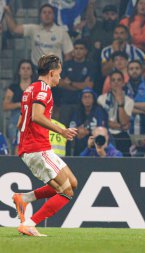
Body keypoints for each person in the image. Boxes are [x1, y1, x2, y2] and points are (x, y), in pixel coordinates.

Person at [12, 54, 78, 236]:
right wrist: (61, 130)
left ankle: (23, 198)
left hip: (34, 147)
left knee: (72, 182)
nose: (60, 77)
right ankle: (29, 224)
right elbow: (37, 116)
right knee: (66, 192)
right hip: (37, 148)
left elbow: (21, 123)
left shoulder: (29, 89)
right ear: (51, 73)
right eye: (59, 73)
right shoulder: (44, 90)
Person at [3, 4, 73, 66]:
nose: (47, 15)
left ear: (54, 16)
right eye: (44, 12)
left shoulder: (61, 32)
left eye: (49, 13)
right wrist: (7, 13)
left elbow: (68, 54)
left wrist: (63, 72)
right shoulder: (33, 29)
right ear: (40, 15)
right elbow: (15, 29)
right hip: (37, 70)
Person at [58, 39, 95, 126]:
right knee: (63, 131)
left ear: (86, 51)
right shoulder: (66, 64)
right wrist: (80, 85)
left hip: (82, 105)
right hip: (66, 103)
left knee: (81, 131)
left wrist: (70, 83)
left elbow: (89, 86)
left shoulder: (90, 65)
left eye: (81, 49)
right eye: (76, 48)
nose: (78, 51)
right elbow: (60, 83)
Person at [97, 70, 134, 156]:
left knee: (124, 140)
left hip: (121, 135)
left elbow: (124, 121)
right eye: (113, 80)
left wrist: (120, 103)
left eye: (119, 80)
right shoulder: (101, 99)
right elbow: (102, 122)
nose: (116, 82)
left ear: (123, 83)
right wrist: (120, 126)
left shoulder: (129, 101)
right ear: (109, 83)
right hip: (105, 133)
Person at [2, 59, 34, 154]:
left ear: (32, 71)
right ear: (19, 71)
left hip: (32, 119)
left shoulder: (36, 87)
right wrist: (19, 104)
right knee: (15, 145)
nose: (25, 71)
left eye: (28, 68)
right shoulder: (13, 87)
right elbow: (5, 106)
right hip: (16, 120)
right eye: (23, 68)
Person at [69, 88, 108, 156]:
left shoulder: (99, 110)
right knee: (78, 138)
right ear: (81, 99)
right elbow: (72, 126)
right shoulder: (77, 111)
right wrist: (78, 130)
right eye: (85, 97)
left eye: (89, 97)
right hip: (81, 138)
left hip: (96, 139)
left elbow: (101, 129)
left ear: (93, 99)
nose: (87, 99)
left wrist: (88, 132)